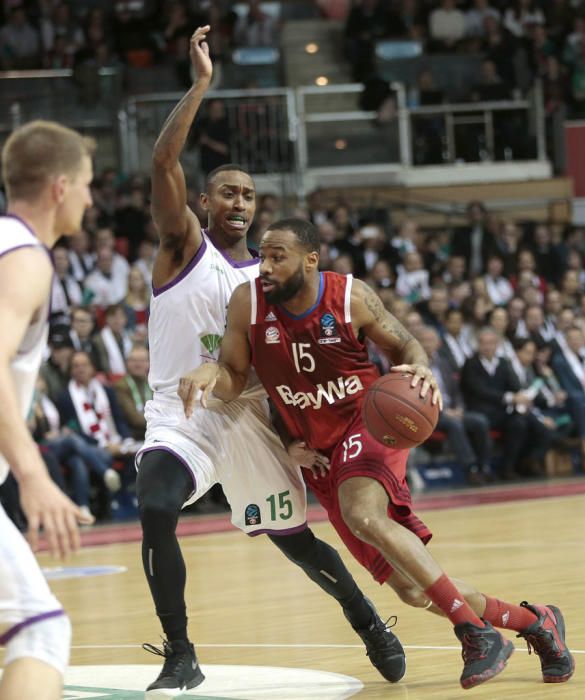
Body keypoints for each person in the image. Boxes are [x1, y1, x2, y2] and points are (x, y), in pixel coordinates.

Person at [179, 217, 574, 690]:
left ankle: (473, 632)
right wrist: (210, 379)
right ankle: (535, 622)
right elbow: (236, 375)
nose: (264, 265)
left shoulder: (350, 296)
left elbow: (405, 343)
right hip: (322, 454)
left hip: (368, 423)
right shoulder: (248, 303)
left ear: (310, 258)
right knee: (410, 588)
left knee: (363, 513)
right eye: (262, 255)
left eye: (277, 255)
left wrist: (422, 368)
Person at [136, 26, 404, 698]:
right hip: (183, 410)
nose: (238, 203)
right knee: (154, 501)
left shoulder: (269, 279)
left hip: (252, 415)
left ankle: (367, 621)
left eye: (248, 196)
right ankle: (179, 652)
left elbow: (298, 363)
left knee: (294, 542)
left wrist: (299, 430)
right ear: (203, 203)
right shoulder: (181, 249)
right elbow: (162, 162)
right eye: (226, 192)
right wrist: (200, 85)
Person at [0, 120, 94, 700]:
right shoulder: (27, 259)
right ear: (60, 187)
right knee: (41, 630)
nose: (90, 197)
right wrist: (33, 475)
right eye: (85, 183)